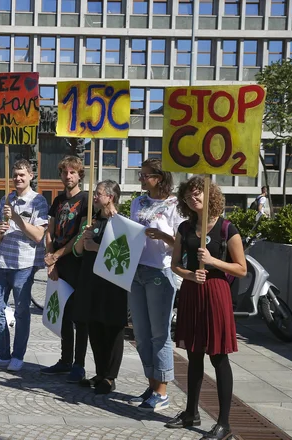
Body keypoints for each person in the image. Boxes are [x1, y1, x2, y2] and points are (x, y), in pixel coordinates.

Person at [166, 176, 246, 440]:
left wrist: (213, 261)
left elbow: (241, 269)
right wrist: (188, 276)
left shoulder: (226, 228)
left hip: (215, 293)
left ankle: (224, 424)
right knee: (193, 354)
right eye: (189, 195)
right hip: (191, 291)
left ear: (210, 195)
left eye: (198, 193)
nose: (193, 198)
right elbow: (175, 264)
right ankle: (191, 412)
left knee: (218, 356)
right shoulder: (185, 228)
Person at [0, 160, 49, 372]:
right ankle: (2, 354)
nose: (18, 178)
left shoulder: (39, 201)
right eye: (15, 175)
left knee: (21, 312)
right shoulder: (6, 198)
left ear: (30, 176)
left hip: (24, 265)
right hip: (2, 262)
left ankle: (18, 356)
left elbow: (38, 235)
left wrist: (17, 218)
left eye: (22, 174)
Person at [129, 158, 185, 411]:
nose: (141, 178)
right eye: (141, 174)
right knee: (141, 334)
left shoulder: (175, 206)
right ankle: (152, 384)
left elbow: (182, 243)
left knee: (159, 333)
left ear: (159, 178)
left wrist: (163, 236)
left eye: (145, 175)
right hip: (136, 272)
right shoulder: (137, 202)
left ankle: (161, 390)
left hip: (160, 273)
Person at [72, 180, 126, 394]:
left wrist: (97, 246)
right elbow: (78, 250)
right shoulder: (91, 220)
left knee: (112, 328)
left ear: (110, 197)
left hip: (111, 284)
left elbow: (122, 254)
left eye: (98, 194)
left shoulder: (121, 223)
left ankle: (110, 376)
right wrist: (84, 238)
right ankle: (100, 371)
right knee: (94, 326)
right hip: (91, 279)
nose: (94, 197)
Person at [41, 156, 89, 383]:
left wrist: (56, 257)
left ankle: (79, 364)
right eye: (64, 172)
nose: (68, 176)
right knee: (63, 314)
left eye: (72, 172)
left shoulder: (87, 200)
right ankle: (65, 360)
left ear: (79, 175)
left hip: (77, 265)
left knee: (79, 317)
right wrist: (50, 259)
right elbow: (49, 231)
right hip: (59, 265)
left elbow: (80, 235)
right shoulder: (58, 201)